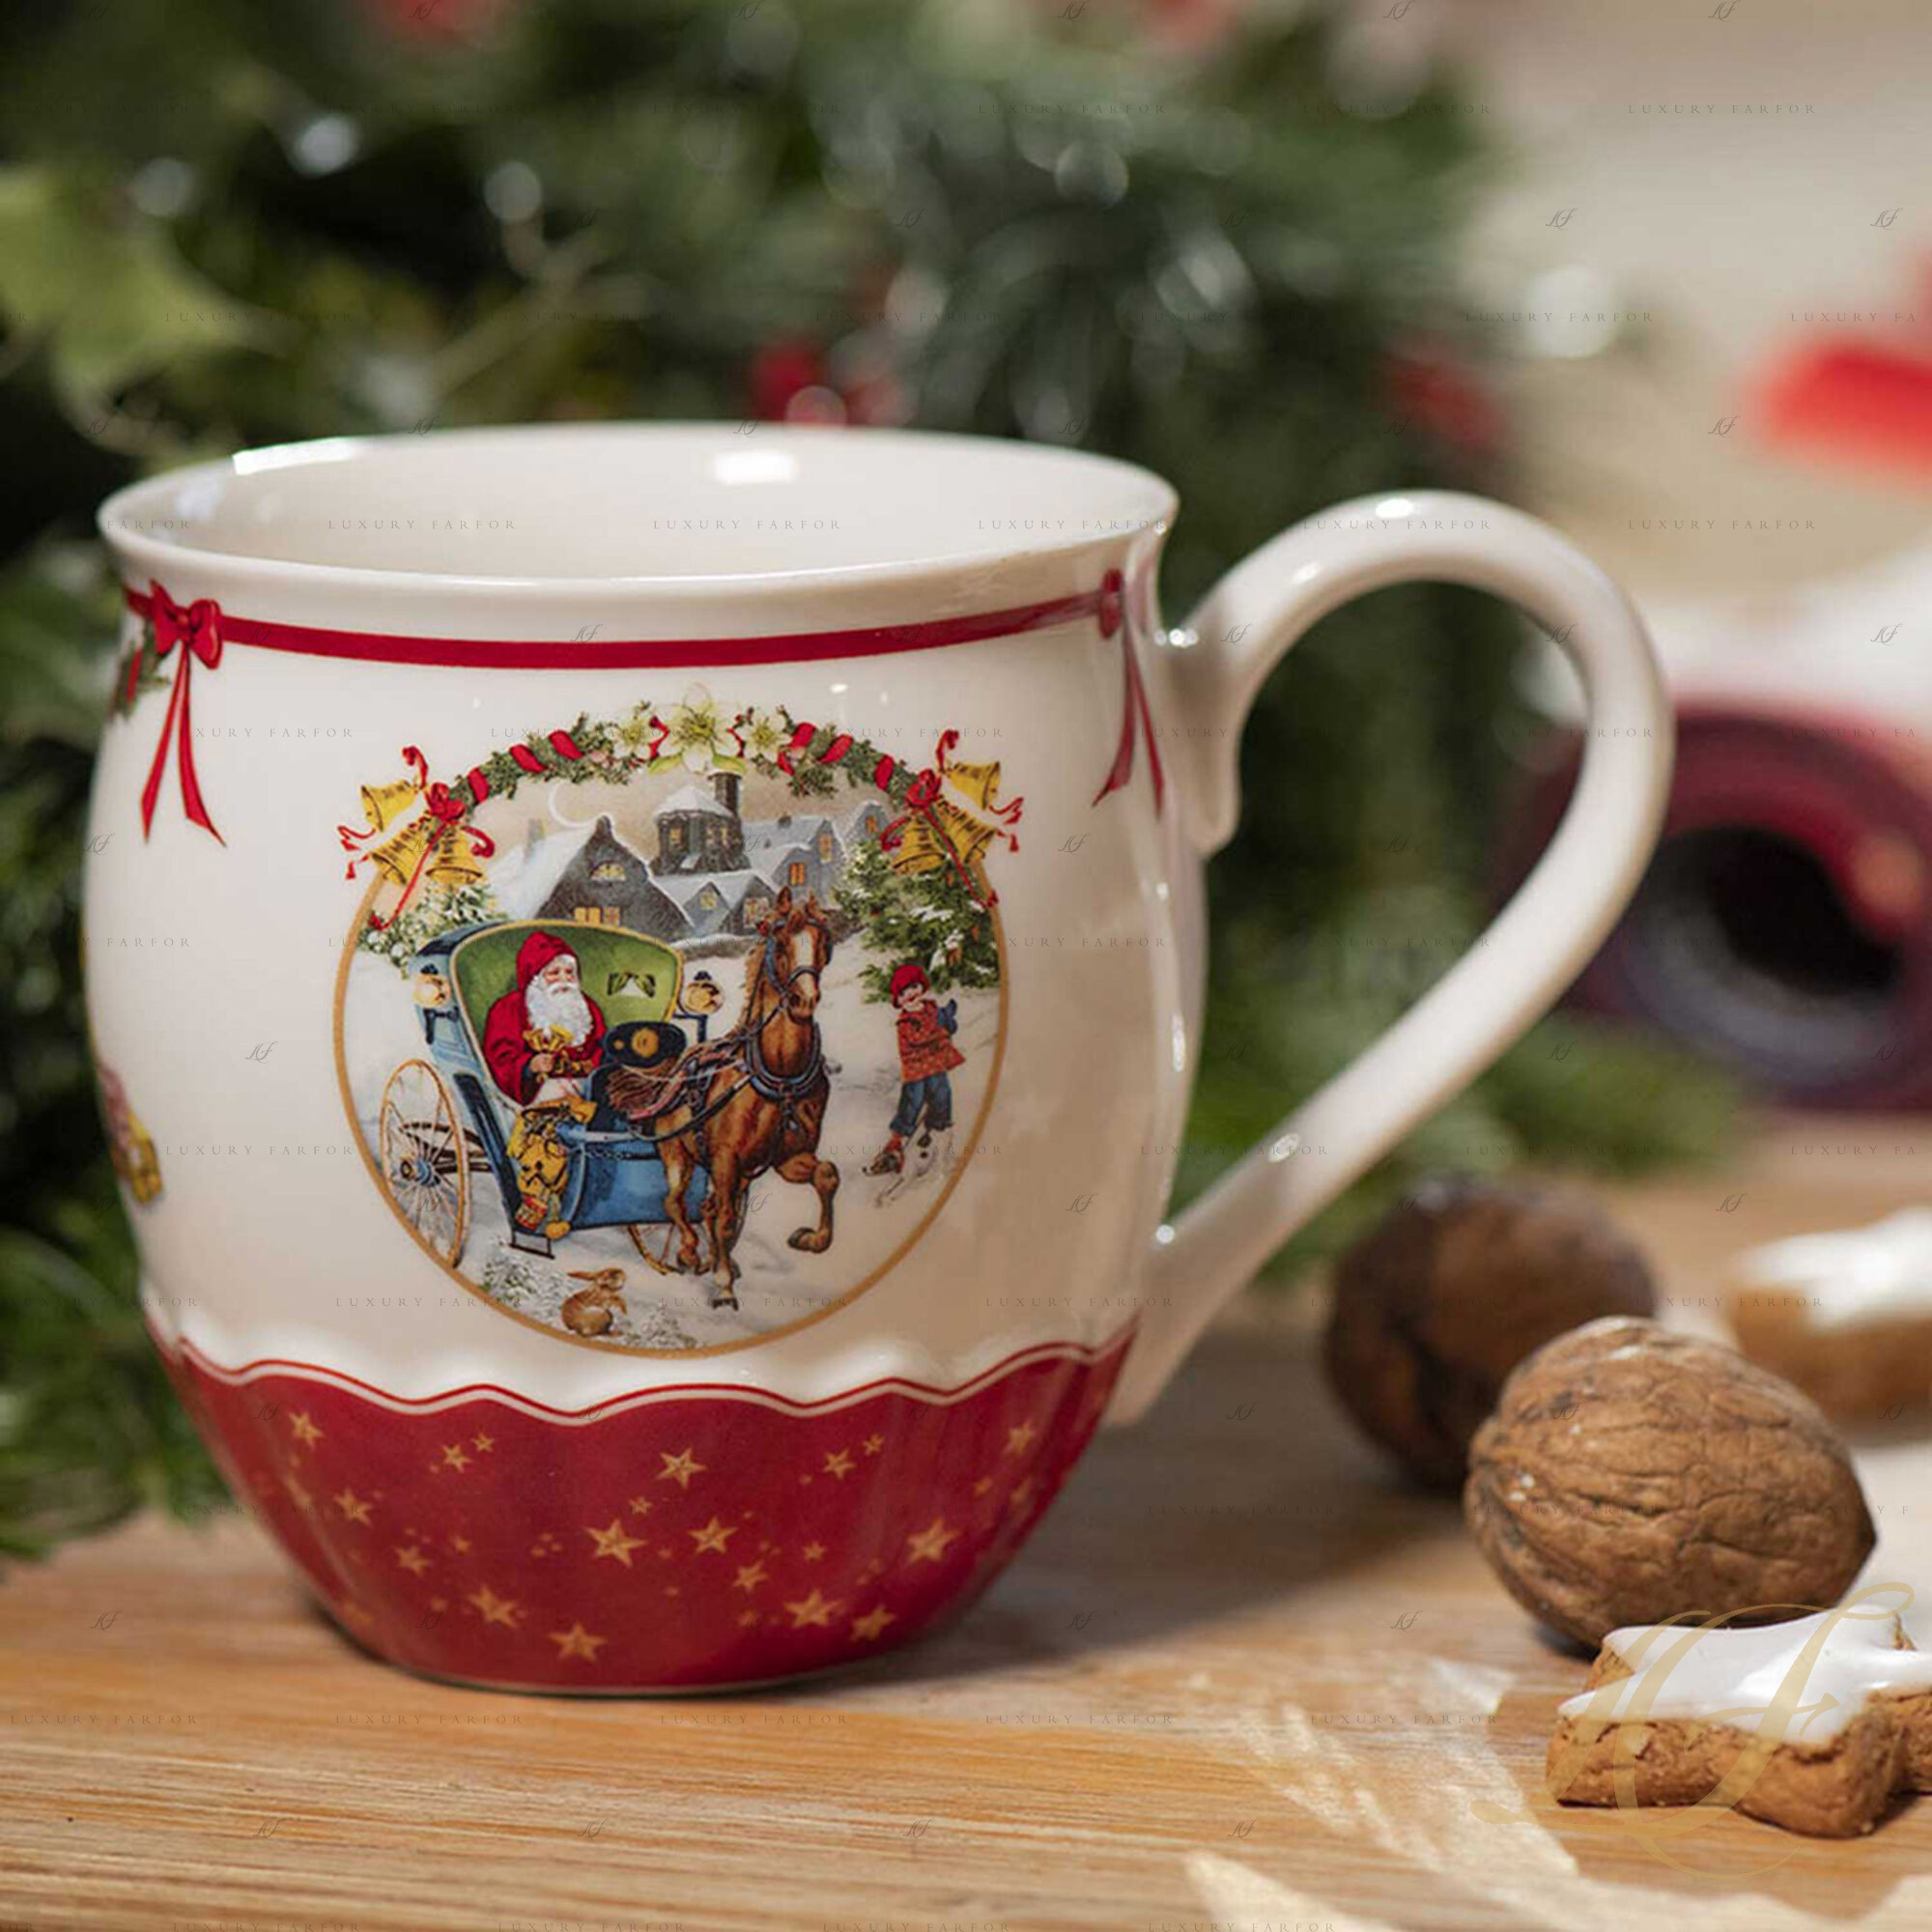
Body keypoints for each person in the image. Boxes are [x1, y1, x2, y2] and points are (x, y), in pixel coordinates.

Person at [482, 931, 606, 1236]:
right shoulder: (509, 1009)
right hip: (534, 1093)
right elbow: (499, 1056)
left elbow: (602, 1048)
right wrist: (531, 1064)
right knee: (552, 1120)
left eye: (569, 972)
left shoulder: (587, 1008)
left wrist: (593, 1068)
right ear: (536, 978)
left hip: (585, 1089)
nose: (564, 980)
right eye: (554, 972)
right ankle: (538, 1194)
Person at [866, 961, 963, 1177]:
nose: (910, 994)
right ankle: (898, 1139)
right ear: (898, 1000)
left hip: (935, 1063)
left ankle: (938, 1127)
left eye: (913, 987)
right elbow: (919, 1038)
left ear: (922, 986)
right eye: (903, 993)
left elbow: (942, 1025)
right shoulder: (905, 1022)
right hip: (916, 1067)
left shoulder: (930, 1009)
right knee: (913, 1098)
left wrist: (947, 1020)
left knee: (942, 1092)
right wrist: (942, 1027)